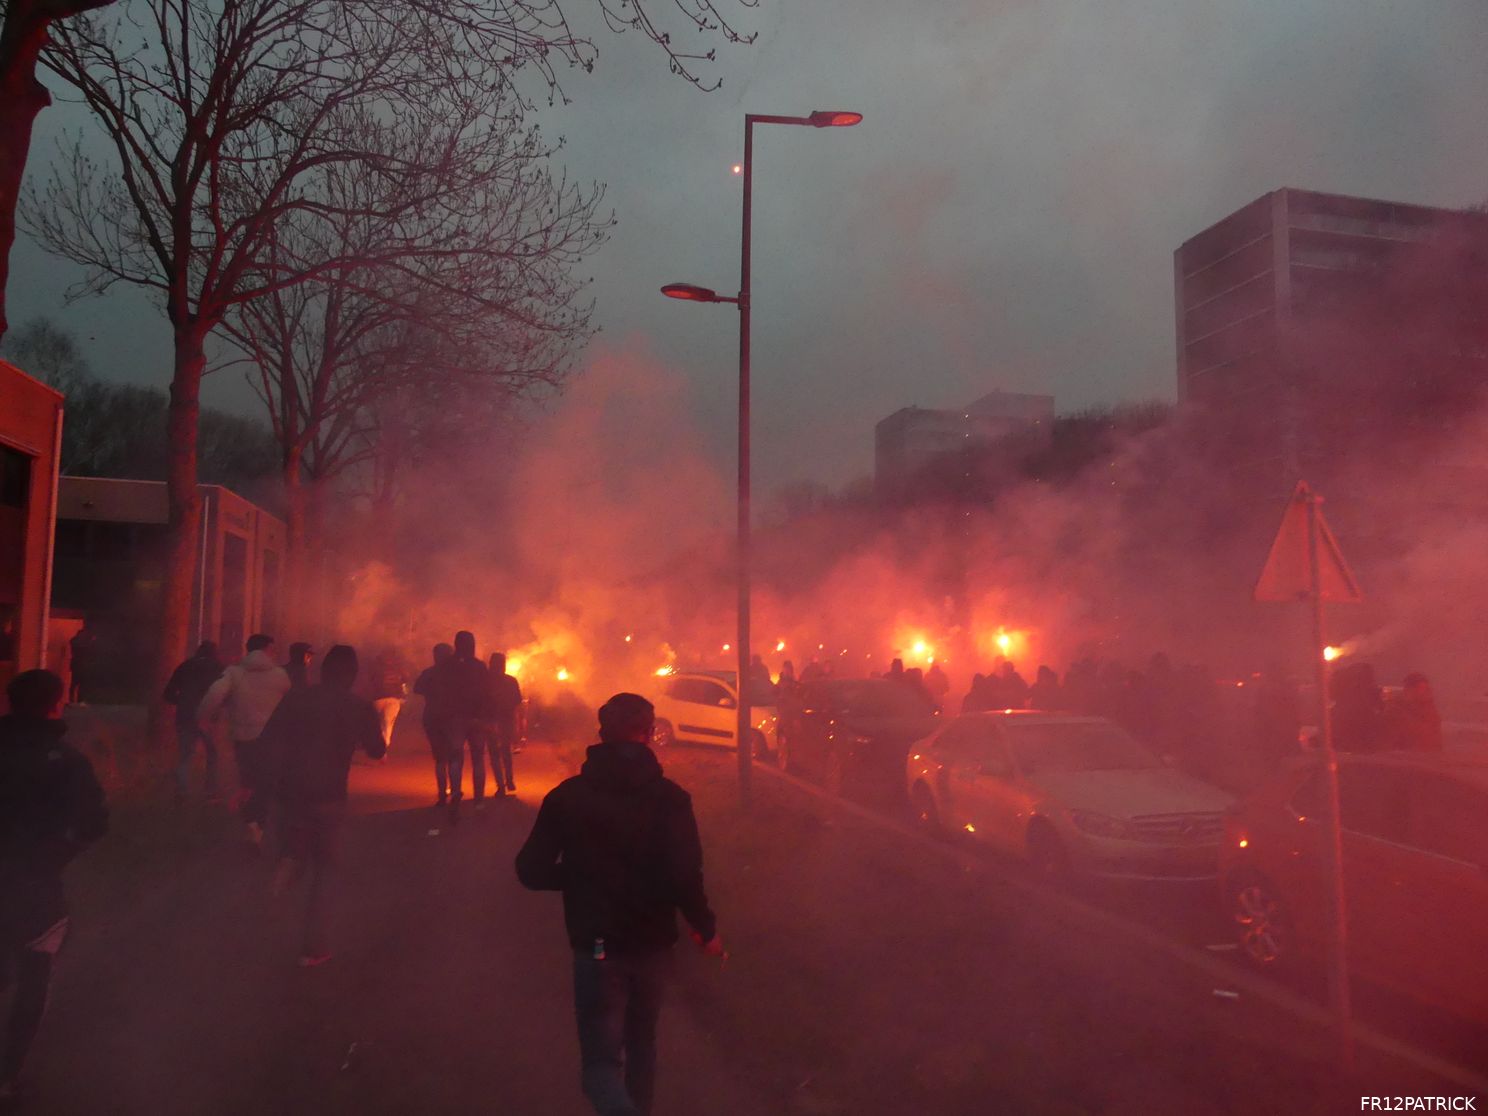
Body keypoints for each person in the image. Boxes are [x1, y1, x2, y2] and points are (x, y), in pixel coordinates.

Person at [516, 693, 722, 1116]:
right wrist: (707, 928)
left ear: (601, 735)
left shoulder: (567, 797)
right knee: (643, 1046)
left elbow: (530, 870)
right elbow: (686, 875)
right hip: (652, 946)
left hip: (596, 946)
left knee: (599, 1067)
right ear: (649, 735)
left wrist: (579, 878)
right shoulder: (671, 799)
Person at [0, 670, 108, 1105]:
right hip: (36, 890)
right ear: (54, 705)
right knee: (33, 975)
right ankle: (5, 1077)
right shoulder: (67, 762)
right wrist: (55, 856)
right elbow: (93, 824)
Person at [260, 645, 384, 966]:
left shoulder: (297, 698)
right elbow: (376, 750)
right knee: (325, 870)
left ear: (322, 671)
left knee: (296, 849)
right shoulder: (358, 707)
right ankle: (313, 949)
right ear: (353, 676)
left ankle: (281, 875)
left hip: (291, 793)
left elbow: (270, 738)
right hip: (329, 797)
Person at [198, 634, 292, 848]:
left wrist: (203, 717)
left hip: (244, 739)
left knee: (247, 781)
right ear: (268, 648)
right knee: (266, 783)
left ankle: (251, 821)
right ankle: (259, 822)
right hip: (272, 740)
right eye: (273, 649)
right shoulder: (280, 675)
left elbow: (214, 695)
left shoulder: (234, 673)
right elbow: (292, 703)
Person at [422, 631, 489, 823]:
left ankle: (456, 797)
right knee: (477, 759)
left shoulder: (447, 667)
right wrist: (482, 716)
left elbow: (443, 692)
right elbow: (486, 693)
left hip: (455, 719)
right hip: (475, 719)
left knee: (455, 758)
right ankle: (478, 800)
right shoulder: (479, 666)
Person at [163, 641, 225, 800]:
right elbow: (224, 694)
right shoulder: (219, 668)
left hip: (185, 715)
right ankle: (210, 790)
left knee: (185, 754)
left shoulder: (185, 666)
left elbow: (168, 693)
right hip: (207, 717)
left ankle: (181, 790)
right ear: (214, 653)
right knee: (212, 753)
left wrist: (182, 701)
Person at [413, 643, 454, 808]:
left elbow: (417, 689)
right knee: (453, 757)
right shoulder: (456, 675)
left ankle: (442, 794)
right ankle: (454, 790)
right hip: (451, 718)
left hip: (432, 718)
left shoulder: (429, 673)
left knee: (439, 759)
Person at [484, 652, 524, 798]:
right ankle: (508, 780)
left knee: (495, 754)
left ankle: (501, 785)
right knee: (505, 751)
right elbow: (517, 700)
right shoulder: (511, 681)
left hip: (491, 720)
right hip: (504, 719)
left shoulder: (485, 681)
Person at [1386, 672, 1443, 752]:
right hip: (1406, 761)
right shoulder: (1395, 712)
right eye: (1421, 688)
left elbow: (1437, 740)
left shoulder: (1430, 711)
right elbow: (1389, 744)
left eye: (1427, 688)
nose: (1426, 692)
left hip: (1428, 761)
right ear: (1409, 690)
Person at [369, 648, 409, 753]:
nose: (389, 659)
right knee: (382, 724)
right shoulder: (377, 669)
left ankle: (383, 749)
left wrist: (404, 695)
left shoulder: (398, 669)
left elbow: (404, 684)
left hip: (392, 700)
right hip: (379, 700)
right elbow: (371, 684)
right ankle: (379, 747)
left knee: (386, 723)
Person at [66, 621, 98, 706]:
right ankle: (74, 700)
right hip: (79, 665)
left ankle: (77, 700)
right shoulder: (78, 643)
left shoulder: (78, 643)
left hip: (81, 666)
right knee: (76, 684)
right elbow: (80, 646)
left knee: (79, 684)